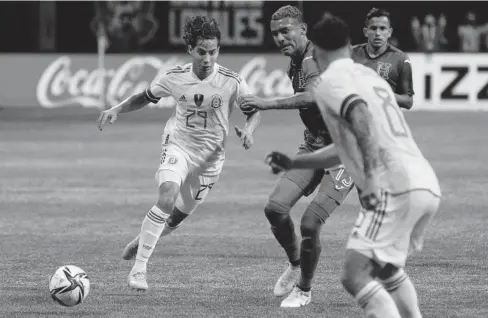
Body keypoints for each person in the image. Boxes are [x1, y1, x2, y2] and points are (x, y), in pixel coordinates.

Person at [266, 15, 441, 318]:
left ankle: (304, 287)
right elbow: (347, 146)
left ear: (317, 49)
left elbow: (359, 121)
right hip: (425, 183)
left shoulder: (331, 82)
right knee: (387, 270)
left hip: (394, 185)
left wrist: (371, 182)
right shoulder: (371, 77)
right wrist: (296, 162)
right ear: (350, 46)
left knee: (354, 275)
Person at [97, 15, 261, 291]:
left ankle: (143, 239)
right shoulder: (175, 77)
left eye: (213, 51)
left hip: (210, 162)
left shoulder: (232, 81)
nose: (207, 58)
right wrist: (117, 109)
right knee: (167, 196)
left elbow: (253, 109)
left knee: (175, 217)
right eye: (201, 52)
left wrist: (249, 130)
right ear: (190, 49)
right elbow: (145, 97)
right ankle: (139, 269)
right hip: (179, 146)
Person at [239, 5, 353, 308]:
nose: (280, 37)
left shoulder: (313, 58)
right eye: (275, 33)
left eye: (286, 30)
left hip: (346, 152)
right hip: (314, 145)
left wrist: (267, 104)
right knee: (275, 208)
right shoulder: (297, 61)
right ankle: (295, 264)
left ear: (303, 30)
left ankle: (304, 290)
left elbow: (313, 95)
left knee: (310, 224)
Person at [352, 8, 414, 110]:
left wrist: (381, 94)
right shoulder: (351, 54)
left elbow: (408, 101)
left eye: (382, 28)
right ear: (365, 32)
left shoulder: (401, 59)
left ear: (389, 32)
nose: (377, 33)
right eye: (373, 28)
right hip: (357, 119)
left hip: (385, 123)